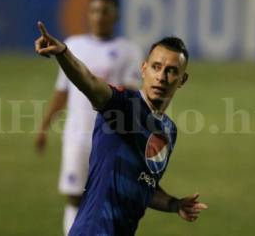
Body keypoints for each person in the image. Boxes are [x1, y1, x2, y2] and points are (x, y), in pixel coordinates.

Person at [35, 20, 208, 236]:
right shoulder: (122, 106)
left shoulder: (168, 131)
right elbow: (88, 81)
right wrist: (63, 53)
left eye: (171, 71)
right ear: (143, 69)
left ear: (182, 79)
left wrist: (174, 204)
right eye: (156, 67)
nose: (162, 77)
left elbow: (144, 184)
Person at [35, 0, 142, 235]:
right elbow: (62, 92)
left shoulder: (129, 51)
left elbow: (131, 95)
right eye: (94, 11)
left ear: (116, 15)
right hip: (77, 137)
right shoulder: (72, 46)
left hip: (110, 138)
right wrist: (44, 126)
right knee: (74, 196)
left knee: (110, 200)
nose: (99, 16)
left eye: (105, 11)